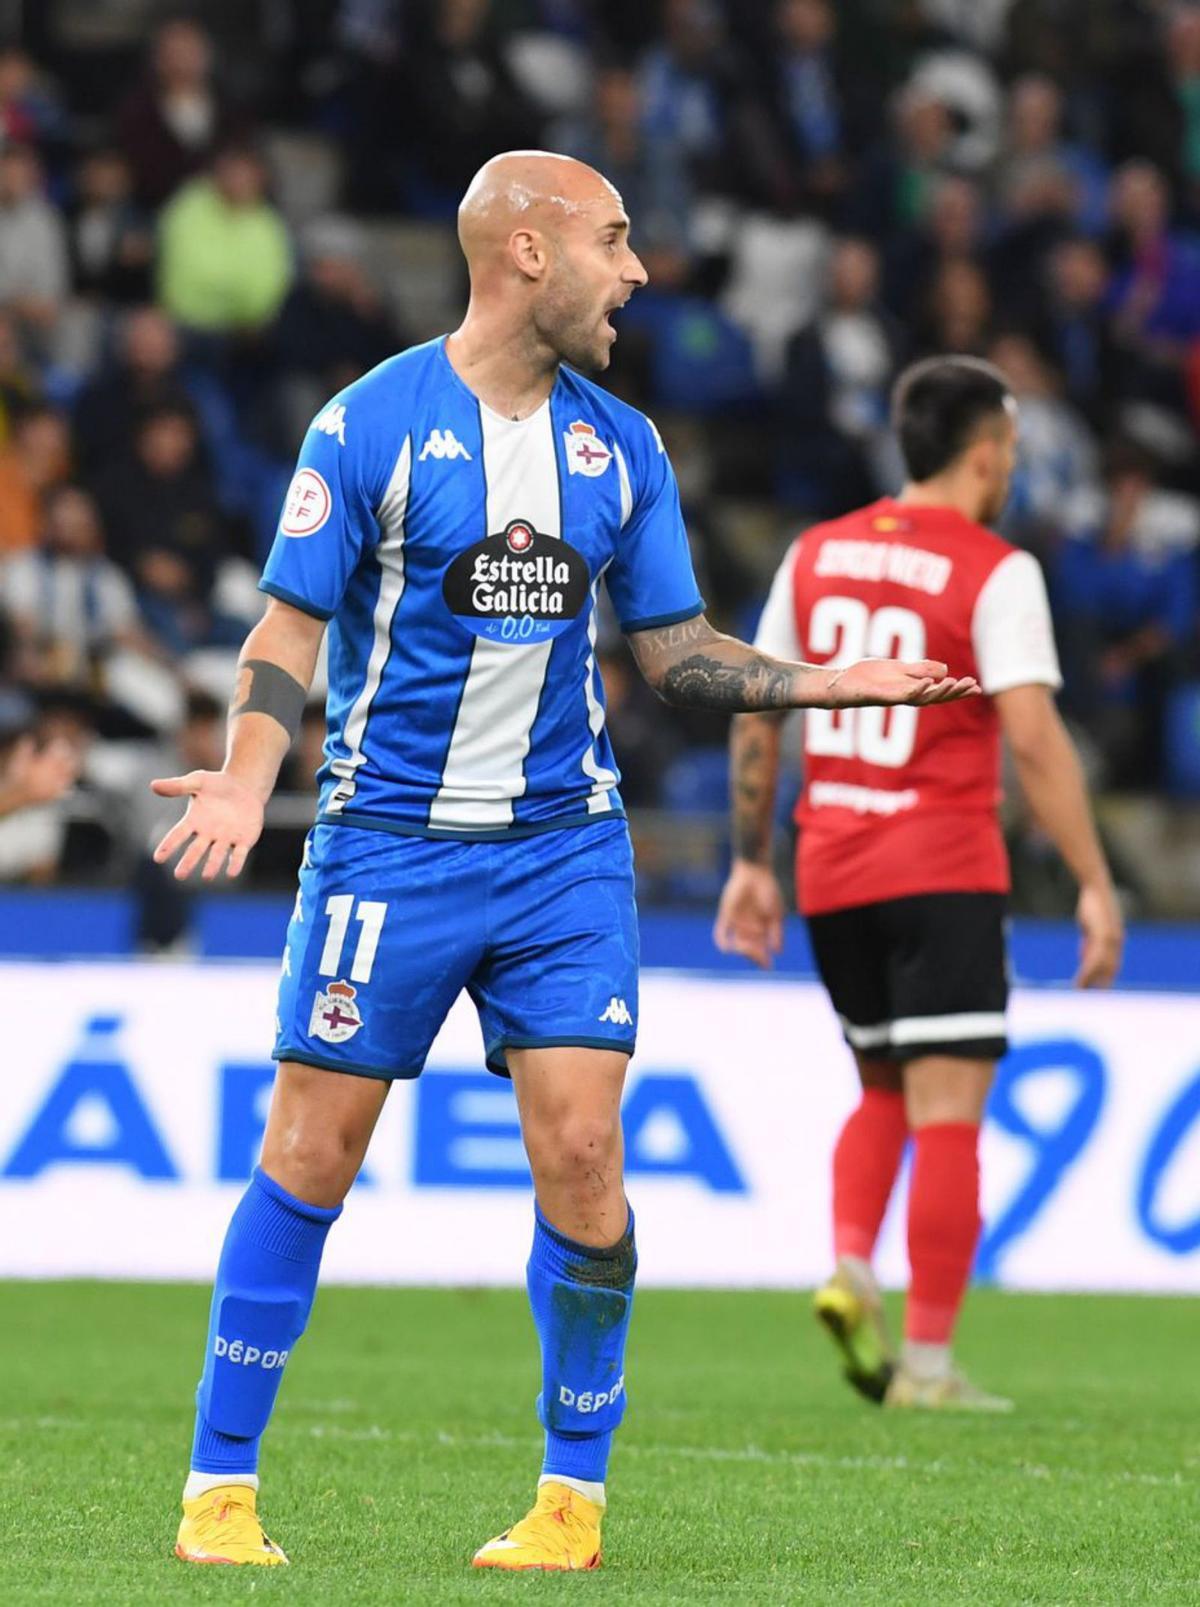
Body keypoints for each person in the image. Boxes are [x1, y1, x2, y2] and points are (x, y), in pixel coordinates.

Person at [152, 151, 977, 1573]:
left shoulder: (626, 448)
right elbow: (286, 631)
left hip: (561, 853)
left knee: (586, 1156)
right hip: (388, 843)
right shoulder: (370, 425)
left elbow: (677, 656)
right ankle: (219, 1487)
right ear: (528, 251)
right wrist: (244, 767)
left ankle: (570, 1502)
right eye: (616, 240)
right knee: (309, 1149)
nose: (640, 271)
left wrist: (834, 683)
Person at [715, 355, 1124, 1411]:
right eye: (1013, 454)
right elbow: (1032, 739)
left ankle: (853, 1262)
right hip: (941, 863)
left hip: (831, 867)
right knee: (949, 1111)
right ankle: (930, 1368)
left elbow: (759, 706)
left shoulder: (814, 552)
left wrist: (753, 861)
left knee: (881, 1085)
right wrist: (1092, 878)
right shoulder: (997, 568)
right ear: (987, 455)